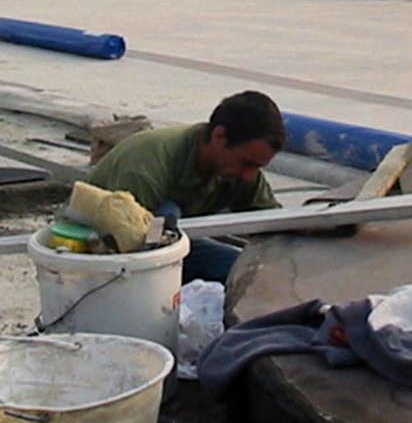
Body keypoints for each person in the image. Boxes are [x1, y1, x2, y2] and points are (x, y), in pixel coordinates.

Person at [87, 91, 284, 283]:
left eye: (257, 167)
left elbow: (271, 221)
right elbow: (131, 247)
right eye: (247, 164)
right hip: (104, 250)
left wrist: (309, 221)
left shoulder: (239, 170)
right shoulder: (147, 164)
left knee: (246, 272)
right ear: (219, 137)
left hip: (170, 243)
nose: (249, 175)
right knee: (168, 213)